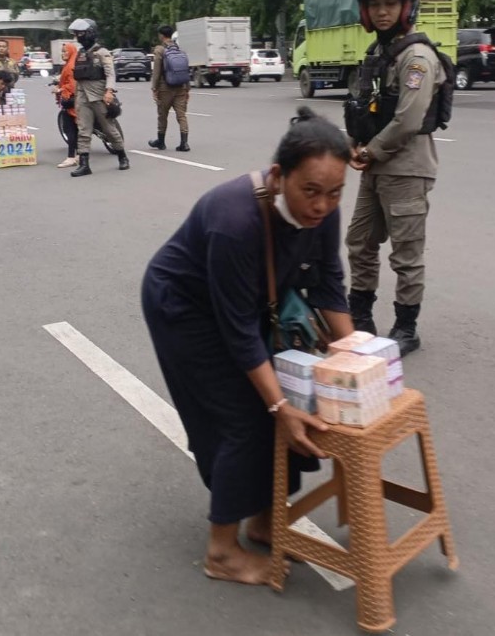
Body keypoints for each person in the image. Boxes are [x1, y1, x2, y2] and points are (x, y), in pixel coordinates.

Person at [141, 108, 354, 585]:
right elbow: (237, 329)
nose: (321, 206)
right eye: (311, 191)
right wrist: (277, 404)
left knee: (287, 405)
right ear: (280, 176)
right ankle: (222, 551)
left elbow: (329, 284)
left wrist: (360, 359)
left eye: (335, 193)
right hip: (184, 307)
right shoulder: (234, 219)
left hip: (250, 299)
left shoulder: (325, 211)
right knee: (245, 416)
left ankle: (265, 523)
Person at [345, 0, 444, 356]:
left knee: (405, 253)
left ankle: (406, 328)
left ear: (406, 7)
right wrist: (357, 143)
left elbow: (408, 119)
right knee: (359, 242)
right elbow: (364, 104)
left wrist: (369, 151)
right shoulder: (379, 52)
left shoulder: (416, 56)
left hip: (406, 168)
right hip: (375, 165)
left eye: (390, 3)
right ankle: (361, 319)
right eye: (374, 5)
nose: (382, 11)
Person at [68, 18, 130, 177]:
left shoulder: (102, 52)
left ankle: (122, 156)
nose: (78, 36)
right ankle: (84, 164)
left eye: (81, 33)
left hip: (99, 95)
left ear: (90, 33)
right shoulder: (80, 53)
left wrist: (109, 91)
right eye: (77, 33)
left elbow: (110, 73)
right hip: (82, 95)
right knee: (83, 129)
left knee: (109, 129)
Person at [148, 25, 190, 152]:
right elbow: (185, 70)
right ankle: (184, 143)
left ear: (161, 35)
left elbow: (156, 71)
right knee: (181, 116)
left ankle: (161, 142)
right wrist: (187, 88)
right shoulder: (179, 49)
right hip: (181, 87)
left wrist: (154, 89)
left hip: (165, 88)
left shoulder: (160, 50)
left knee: (162, 115)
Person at [53, 42, 79, 168]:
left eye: (65, 51)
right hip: (77, 101)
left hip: (71, 101)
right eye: (62, 51)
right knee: (76, 129)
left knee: (70, 130)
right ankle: (78, 154)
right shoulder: (71, 63)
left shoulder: (71, 66)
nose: (63, 54)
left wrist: (60, 89)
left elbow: (72, 86)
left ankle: (71, 157)